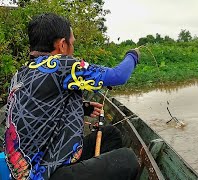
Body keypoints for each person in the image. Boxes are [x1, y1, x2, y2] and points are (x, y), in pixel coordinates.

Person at [4, 13, 140, 180]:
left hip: (26, 171)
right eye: (72, 43)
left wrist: (83, 108)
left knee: (110, 134)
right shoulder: (60, 64)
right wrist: (132, 55)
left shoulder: (21, 73)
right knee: (128, 160)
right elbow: (119, 76)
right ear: (62, 44)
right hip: (44, 175)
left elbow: (39, 106)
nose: (73, 48)